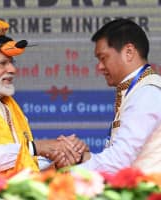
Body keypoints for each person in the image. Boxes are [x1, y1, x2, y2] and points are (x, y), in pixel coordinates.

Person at [0, 19, 88, 177]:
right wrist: (35, 147)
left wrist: (60, 162)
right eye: (2, 63)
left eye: (12, 62)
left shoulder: (8, 106)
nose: (12, 69)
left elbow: (28, 167)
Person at [55, 18, 161, 173]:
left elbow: (119, 162)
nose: (100, 66)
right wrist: (79, 157)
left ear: (129, 52)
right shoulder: (138, 90)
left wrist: (64, 175)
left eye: (103, 58)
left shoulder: (147, 93)